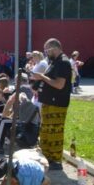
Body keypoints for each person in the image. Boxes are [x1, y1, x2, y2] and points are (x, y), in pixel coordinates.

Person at [30, 38, 72, 170]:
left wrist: (42, 77)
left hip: (57, 103)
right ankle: (46, 156)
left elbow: (59, 85)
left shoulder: (63, 63)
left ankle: (55, 160)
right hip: (48, 102)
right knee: (46, 131)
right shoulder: (54, 62)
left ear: (55, 48)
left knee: (55, 132)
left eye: (47, 50)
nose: (46, 52)